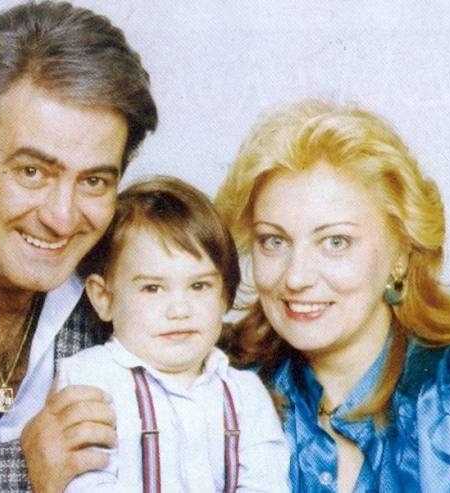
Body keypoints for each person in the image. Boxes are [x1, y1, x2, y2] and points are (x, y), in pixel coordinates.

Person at [215, 100, 450, 492]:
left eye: (336, 242)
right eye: (273, 241)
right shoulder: (223, 388)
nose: (296, 277)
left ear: (400, 253)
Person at [0, 2, 157, 491]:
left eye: (94, 181)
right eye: (32, 171)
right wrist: (24, 472)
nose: (62, 218)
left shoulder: (123, 261)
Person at [56, 176, 289, 492]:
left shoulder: (246, 394)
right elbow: (85, 482)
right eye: (153, 288)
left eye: (199, 286)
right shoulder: (90, 379)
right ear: (104, 298)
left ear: (225, 295)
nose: (179, 310)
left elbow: (266, 483)